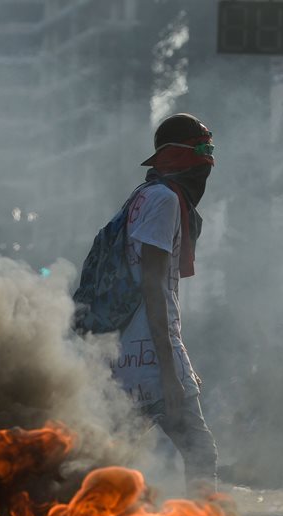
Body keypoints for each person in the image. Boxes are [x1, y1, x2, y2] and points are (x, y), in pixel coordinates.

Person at [110, 114, 218, 491]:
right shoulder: (164, 200)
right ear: (177, 155)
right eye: (202, 149)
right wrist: (170, 371)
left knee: (115, 459)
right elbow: (154, 285)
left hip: (129, 354)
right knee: (200, 451)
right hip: (151, 358)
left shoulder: (142, 196)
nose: (209, 161)